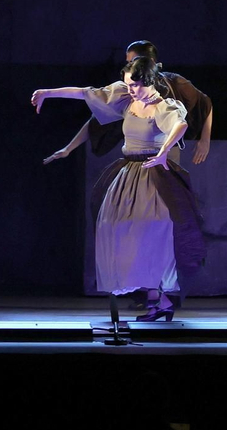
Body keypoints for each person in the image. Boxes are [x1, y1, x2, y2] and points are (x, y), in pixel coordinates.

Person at [32, 58, 206, 319]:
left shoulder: (163, 106)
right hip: (128, 173)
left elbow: (179, 125)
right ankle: (153, 297)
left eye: (135, 85)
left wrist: (163, 152)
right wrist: (48, 93)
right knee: (116, 227)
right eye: (128, 84)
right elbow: (87, 93)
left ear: (148, 81)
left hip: (154, 174)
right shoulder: (126, 99)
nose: (130, 89)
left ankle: (164, 298)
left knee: (157, 230)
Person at [42, 41, 214, 166]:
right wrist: (69, 148)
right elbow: (96, 115)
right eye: (129, 62)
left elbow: (204, 103)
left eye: (135, 61)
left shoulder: (173, 84)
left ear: (150, 64)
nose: (131, 66)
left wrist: (205, 140)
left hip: (163, 155)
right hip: (134, 158)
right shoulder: (126, 92)